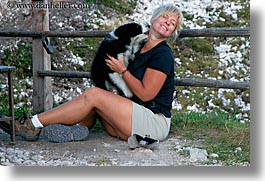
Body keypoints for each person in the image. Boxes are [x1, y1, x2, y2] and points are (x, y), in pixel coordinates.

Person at [0, 4, 183, 147]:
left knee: (94, 95)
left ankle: (32, 125)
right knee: (95, 100)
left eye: (172, 23)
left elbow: (146, 94)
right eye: (165, 17)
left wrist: (123, 71)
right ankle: (77, 129)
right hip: (128, 123)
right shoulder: (137, 47)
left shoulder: (162, 55)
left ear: (172, 32)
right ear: (153, 19)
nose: (167, 22)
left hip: (152, 124)